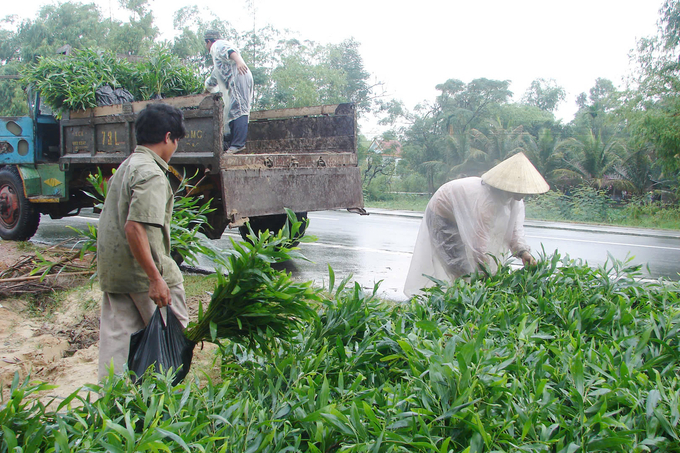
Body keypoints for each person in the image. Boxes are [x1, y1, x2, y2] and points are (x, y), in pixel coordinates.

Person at [97, 103, 189, 380]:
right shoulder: (151, 174)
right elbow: (135, 227)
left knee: (118, 342)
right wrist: (155, 278)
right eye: (177, 141)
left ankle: (111, 404)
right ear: (167, 137)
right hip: (142, 273)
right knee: (172, 335)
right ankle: (163, 400)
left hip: (115, 273)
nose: (175, 148)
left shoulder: (128, 165)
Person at [404, 152, 550, 297]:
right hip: (442, 214)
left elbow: (515, 229)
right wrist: (486, 276)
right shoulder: (486, 200)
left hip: (460, 211)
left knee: (471, 271)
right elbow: (479, 246)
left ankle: (467, 297)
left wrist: (523, 252)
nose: (524, 194)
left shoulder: (514, 198)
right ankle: (459, 302)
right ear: (510, 186)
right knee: (459, 268)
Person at [204, 30, 254, 153]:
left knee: (239, 108)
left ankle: (238, 144)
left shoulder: (217, 45)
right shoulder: (217, 60)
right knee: (232, 110)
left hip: (239, 75)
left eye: (206, 44)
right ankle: (232, 143)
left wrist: (239, 62)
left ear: (209, 42)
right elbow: (214, 77)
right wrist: (205, 91)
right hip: (235, 80)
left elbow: (229, 50)